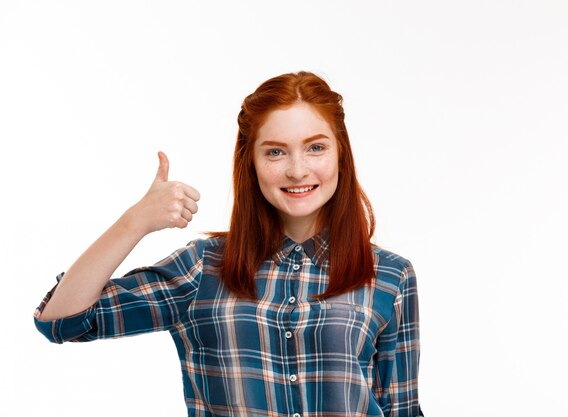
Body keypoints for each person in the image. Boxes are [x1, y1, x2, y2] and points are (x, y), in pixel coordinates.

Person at [34, 71, 424, 416]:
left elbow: (401, 409)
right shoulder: (202, 269)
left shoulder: (389, 275)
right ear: (250, 162)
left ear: (341, 156)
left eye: (316, 147)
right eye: (275, 151)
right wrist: (135, 222)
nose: (297, 169)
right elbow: (62, 321)